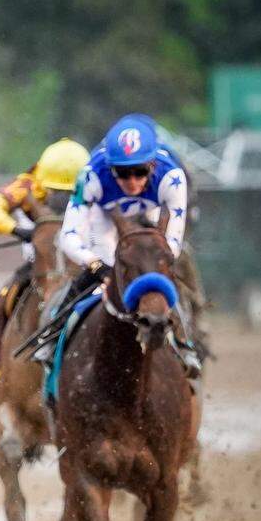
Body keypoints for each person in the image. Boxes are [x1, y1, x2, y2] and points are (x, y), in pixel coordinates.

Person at [56, 113, 202, 377]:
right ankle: (55, 335)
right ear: (110, 168)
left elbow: (172, 245)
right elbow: (68, 236)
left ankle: (186, 342)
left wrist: (155, 268)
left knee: (160, 267)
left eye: (139, 172)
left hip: (153, 212)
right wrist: (97, 266)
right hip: (105, 213)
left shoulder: (172, 177)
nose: (132, 181)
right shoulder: (91, 176)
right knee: (102, 271)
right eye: (122, 173)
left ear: (153, 166)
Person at [0, 138, 89, 373]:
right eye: (55, 191)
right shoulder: (27, 184)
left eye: (68, 192)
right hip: (39, 263)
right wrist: (18, 230)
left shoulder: (98, 184)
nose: (62, 198)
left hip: (84, 263)